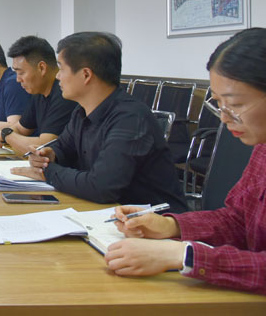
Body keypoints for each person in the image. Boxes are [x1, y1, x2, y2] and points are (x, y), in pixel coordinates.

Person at [105, 28, 266, 295]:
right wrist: (170, 226)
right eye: (218, 104)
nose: (224, 118)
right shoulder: (262, 148)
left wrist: (184, 255)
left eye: (235, 105)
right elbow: (239, 220)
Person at [18, 32, 187, 212]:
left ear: (86, 75)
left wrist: (48, 172)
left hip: (155, 221)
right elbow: (63, 147)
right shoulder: (81, 111)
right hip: (110, 213)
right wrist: (49, 155)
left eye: (62, 69)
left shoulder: (130, 118)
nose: (58, 76)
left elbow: (100, 187)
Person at [0, 36, 78, 154]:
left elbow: (43, 145)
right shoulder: (39, 92)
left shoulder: (64, 94)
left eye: (21, 73)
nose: (18, 79)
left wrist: (5, 135)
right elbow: (20, 128)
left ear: (41, 68)